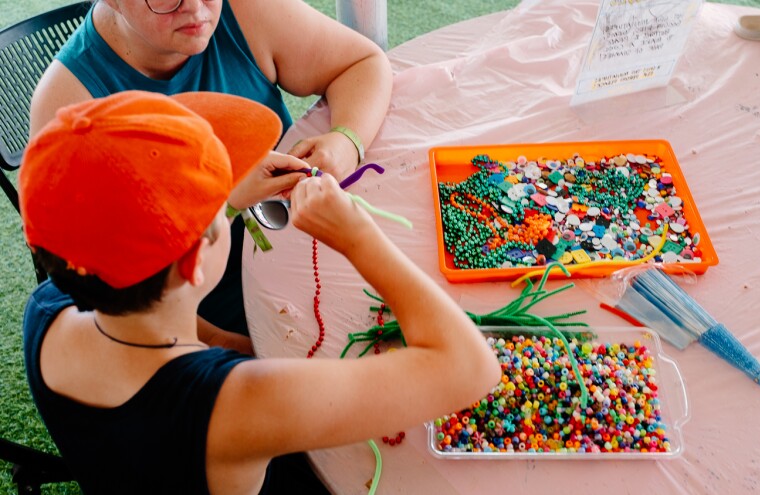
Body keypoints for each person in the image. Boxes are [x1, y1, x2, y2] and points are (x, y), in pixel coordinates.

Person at [20, 90, 500, 494]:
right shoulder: (238, 404)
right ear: (198, 256)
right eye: (218, 202)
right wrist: (360, 238)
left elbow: (150, 298)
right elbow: (469, 368)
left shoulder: (49, 307)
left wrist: (227, 336)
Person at [29, 0, 394, 342]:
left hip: (316, 244)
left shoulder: (243, 9)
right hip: (212, 306)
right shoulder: (69, 107)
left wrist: (346, 140)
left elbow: (362, 62)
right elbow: (120, 302)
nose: (195, 8)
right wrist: (229, 349)